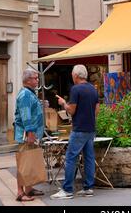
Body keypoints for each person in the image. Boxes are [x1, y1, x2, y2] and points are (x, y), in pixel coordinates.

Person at [50, 64, 99, 199]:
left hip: (79, 129)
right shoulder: (93, 89)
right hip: (90, 128)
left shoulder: (76, 89)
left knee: (71, 158)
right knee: (89, 158)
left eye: (72, 75)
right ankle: (88, 188)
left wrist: (63, 103)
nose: (72, 76)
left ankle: (67, 190)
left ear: (76, 75)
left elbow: (71, 110)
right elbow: (96, 110)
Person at [14, 68, 45, 202]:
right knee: (24, 163)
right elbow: (26, 116)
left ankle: (29, 188)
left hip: (31, 133)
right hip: (27, 134)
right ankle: (20, 193)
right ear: (27, 80)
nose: (37, 80)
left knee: (29, 161)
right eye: (35, 78)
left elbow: (31, 110)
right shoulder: (26, 95)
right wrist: (31, 132)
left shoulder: (29, 93)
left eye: (37, 78)